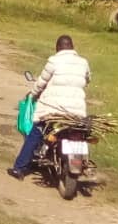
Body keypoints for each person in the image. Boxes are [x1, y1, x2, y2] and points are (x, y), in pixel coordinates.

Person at [7, 34, 90, 180]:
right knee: (80, 134)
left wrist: (33, 95)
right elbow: (87, 79)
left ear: (57, 48)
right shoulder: (83, 62)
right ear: (72, 47)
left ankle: (19, 168)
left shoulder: (54, 61)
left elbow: (41, 82)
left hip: (54, 110)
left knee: (36, 132)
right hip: (76, 112)